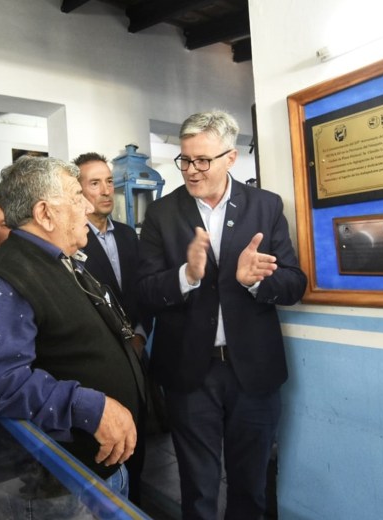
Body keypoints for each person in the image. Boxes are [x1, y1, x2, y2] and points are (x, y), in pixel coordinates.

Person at [137, 110, 308, 520]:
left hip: (253, 372)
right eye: (185, 160)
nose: (191, 171)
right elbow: (143, 291)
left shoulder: (265, 207)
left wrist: (255, 282)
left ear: (231, 158)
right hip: (188, 374)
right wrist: (186, 275)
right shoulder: (162, 214)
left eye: (202, 161)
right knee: (198, 488)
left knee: (250, 485)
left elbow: (294, 284)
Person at [0, 156, 144, 493]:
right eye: (76, 196)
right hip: (56, 483)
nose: (87, 207)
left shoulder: (59, 261)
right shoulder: (4, 281)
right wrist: (90, 406)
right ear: (44, 213)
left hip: (90, 470)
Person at [73, 151, 152, 505]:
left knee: (139, 444)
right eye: (94, 183)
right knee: (106, 450)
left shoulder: (128, 236)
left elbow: (142, 293)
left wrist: (139, 333)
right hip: (98, 365)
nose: (106, 190)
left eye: (108, 181)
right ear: (77, 191)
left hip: (136, 355)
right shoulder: (72, 244)